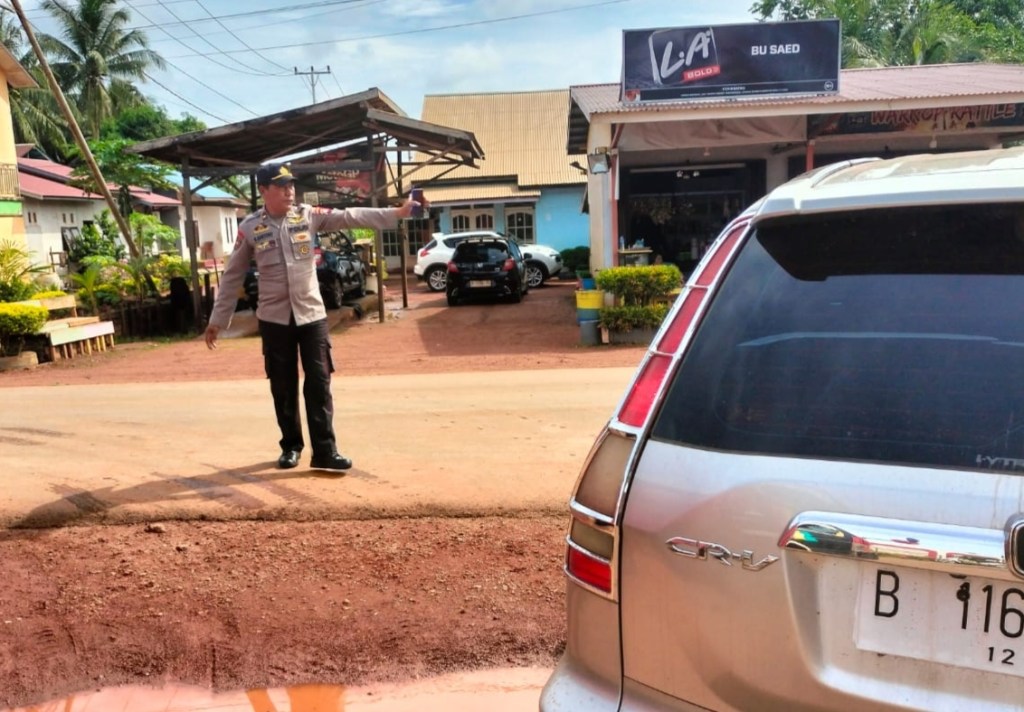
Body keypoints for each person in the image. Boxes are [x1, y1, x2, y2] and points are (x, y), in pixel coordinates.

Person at [204, 163, 423, 473]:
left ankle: (325, 451)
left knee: (319, 382)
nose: (289, 191)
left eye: (291, 185)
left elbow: (351, 216)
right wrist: (218, 319)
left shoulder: (308, 215)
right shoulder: (250, 227)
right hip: (274, 319)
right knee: (283, 385)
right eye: (281, 186)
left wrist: (398, 213)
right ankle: (291, 446)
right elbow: (232, 275)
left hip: (311, 315)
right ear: (263, 190)